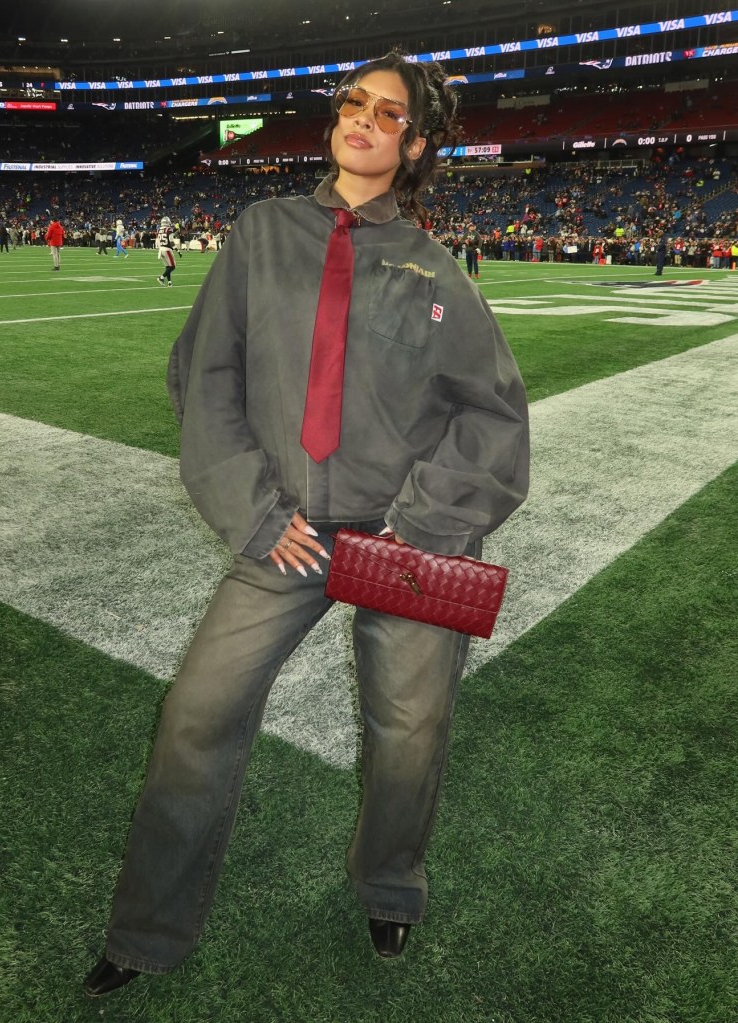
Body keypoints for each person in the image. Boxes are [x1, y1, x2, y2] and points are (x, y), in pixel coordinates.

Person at [83, 51, 529, 998]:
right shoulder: (259, 234)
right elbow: (203, 378)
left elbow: (492, 416)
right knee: (194, 715)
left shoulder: (436, 268)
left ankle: (390, 886)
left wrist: (419, 523)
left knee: (409, 728)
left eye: (388, 113)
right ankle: (146, 930)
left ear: (413, 146)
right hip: (282, 533)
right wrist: (254, 511)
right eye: (351, 103)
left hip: (402, 543)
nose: (362, 119)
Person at [156, 215, 176, 287]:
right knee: (173, 266)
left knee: (168, 267)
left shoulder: (159, 229)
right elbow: (171, 241)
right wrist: (177, 249)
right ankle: (161, 277)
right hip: (167, 249)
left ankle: (169, 283)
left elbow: (158, 240)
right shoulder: (169, 229)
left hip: (161, 249)